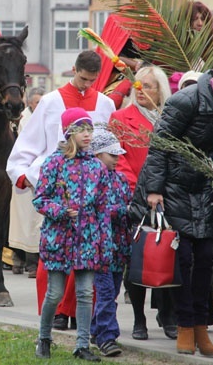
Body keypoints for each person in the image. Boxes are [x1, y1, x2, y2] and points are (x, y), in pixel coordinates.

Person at [130, 68, 213, 357]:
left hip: (200, 187)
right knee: (184, 259)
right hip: (172, 188)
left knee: (205, 260)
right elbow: (159, 145)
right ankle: (185, 325)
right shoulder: (186, 101)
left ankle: (202, 325)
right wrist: (154, 189)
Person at [7, 50, 115, 330]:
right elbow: (30, 141)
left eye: (92, 80)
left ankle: (75, 312)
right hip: (58, 188)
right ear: (73, 69)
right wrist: (21, 173)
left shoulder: (105, 104)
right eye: (82, 78)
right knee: (53, 254)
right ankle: (53, 312)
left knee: (84, 257)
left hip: (90, 190)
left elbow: (110, 146)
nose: (85, 85)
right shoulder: (51, 102)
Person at [33, 107, 108, 361]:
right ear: (69, 133)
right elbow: (40, 199)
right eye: (82, 129)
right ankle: (44, 338)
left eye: (90, 129)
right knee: (54, 293)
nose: (88, 134)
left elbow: (102, 208)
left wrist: (103, 242)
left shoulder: (97, 166)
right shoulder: (54, 162)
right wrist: (61, 211)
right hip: (59, 238)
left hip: (87, 240)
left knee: (86, 293)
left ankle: (82, 345)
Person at [109, 66, 177, 341]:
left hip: (167, 199)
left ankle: (168, 314)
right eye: (138, 85)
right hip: (134, 198)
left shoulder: (171, 119)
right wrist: (141, 190)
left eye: (148, 86)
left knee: (165, 257)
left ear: (161, 90)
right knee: (136, 260)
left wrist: (160, 189)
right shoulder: (120, 118)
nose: (141, 91)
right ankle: (139, 319)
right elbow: (119, 158)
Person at [88, 128, 132, 358]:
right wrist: (119, 211)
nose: (117, 158)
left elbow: (127, 206)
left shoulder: (121, 179)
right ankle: (107, 337)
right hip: (99, 247)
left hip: (119, 247)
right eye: (111, 154)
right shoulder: (90, 180)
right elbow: (96, 211)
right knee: (105, 293)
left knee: (113, 291)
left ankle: (96, 329)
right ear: (96, 154)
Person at [9, 86, 45, 278]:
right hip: (24, 174)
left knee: (36, 222)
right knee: (22, 221)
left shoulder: (45, 119)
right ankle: (18, 259)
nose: (40, 105)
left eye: (42, 102)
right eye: (37, 102)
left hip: (40, 174)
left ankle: (34, 264)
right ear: (29, 102)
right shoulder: (23, 118)